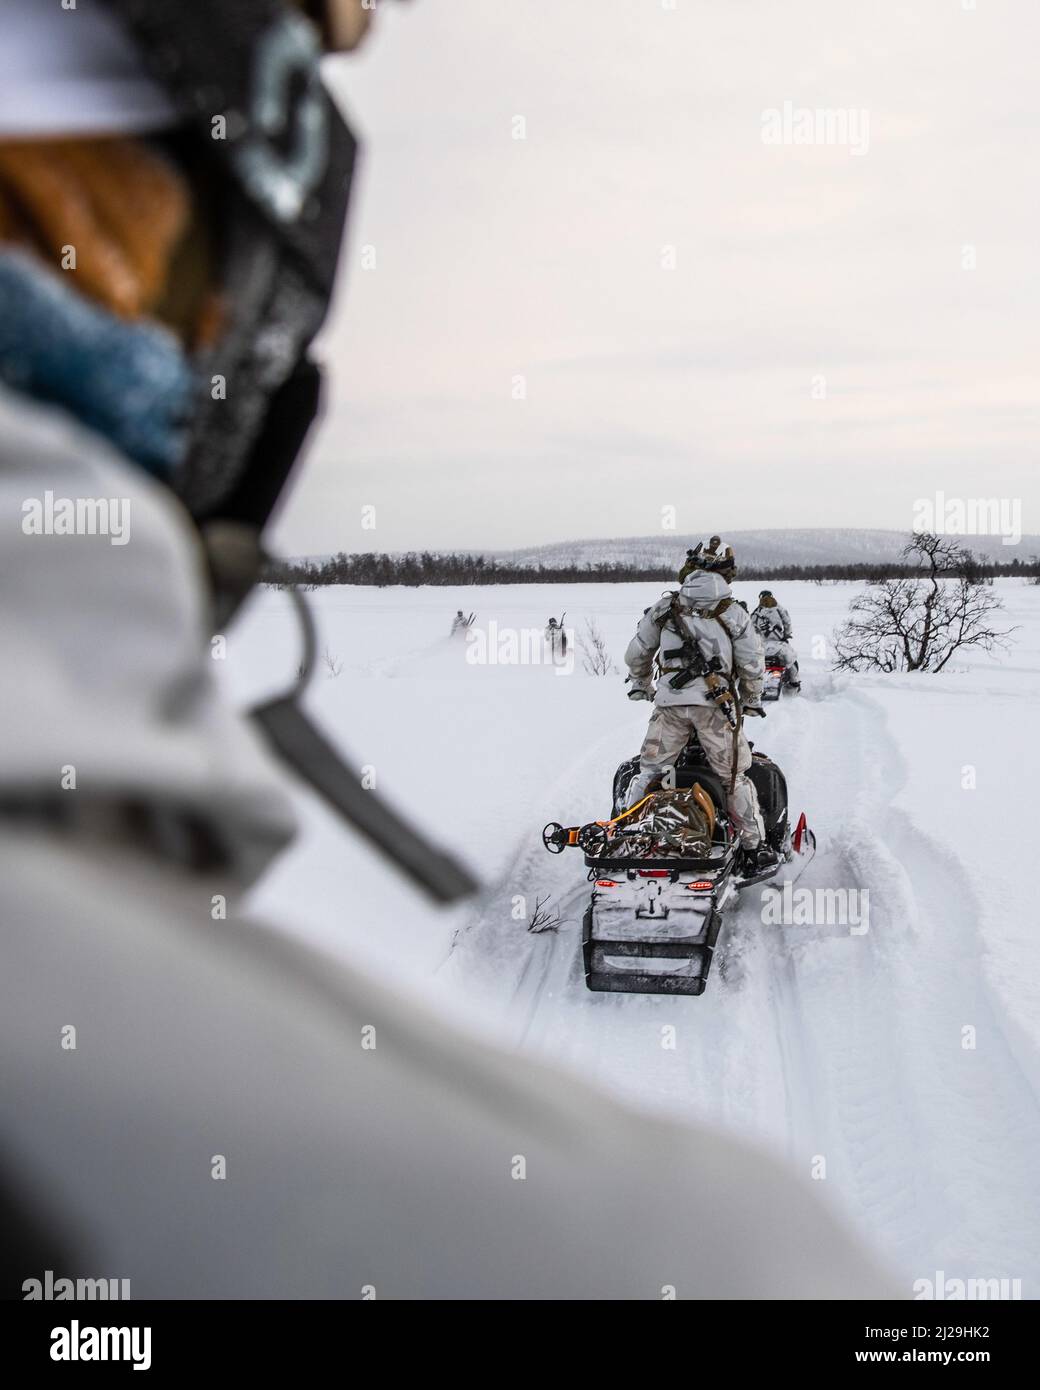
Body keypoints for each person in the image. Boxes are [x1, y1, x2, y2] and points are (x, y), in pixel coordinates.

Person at [0, 0, 893, 1299]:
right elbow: (661, 676)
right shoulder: (706, 1257)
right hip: (682, 734)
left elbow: (718, 673)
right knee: (680, 769)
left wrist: (727, 678)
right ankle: (703, 847)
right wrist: (696, 682)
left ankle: (718, 845)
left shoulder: (719, 615)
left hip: (703, 724)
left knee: (707, 768)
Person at [624, 569, 777, 872]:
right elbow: (751, 661)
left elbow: (638, 651)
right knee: (732, 777)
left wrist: (641, 683)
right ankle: (753, 848)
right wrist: (751, 698)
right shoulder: (732, 612)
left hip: (670, 705)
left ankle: (629, 838)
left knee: (652, 772)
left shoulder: (666, 607)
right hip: (715, 706)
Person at [751, 590, 800, 688]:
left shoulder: (756, 612)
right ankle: (794, 682)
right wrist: (786, 634)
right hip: (779, 645)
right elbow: (787, 623)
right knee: (791, 660)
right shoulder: (779, 609)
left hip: (761, 646)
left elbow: (751, 628)